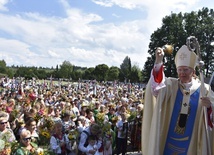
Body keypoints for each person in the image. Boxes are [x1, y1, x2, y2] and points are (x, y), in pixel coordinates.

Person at [142, 45, 214, 155]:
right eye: (179, 70)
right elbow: (156, 88)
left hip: (191, 144)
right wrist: (158, 62)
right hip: (168, 141)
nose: (182, 73)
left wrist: (209, 107)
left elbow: (211, 116)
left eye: (185, 70)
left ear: (193, 72)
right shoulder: (171, 85)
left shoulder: (205, 89)